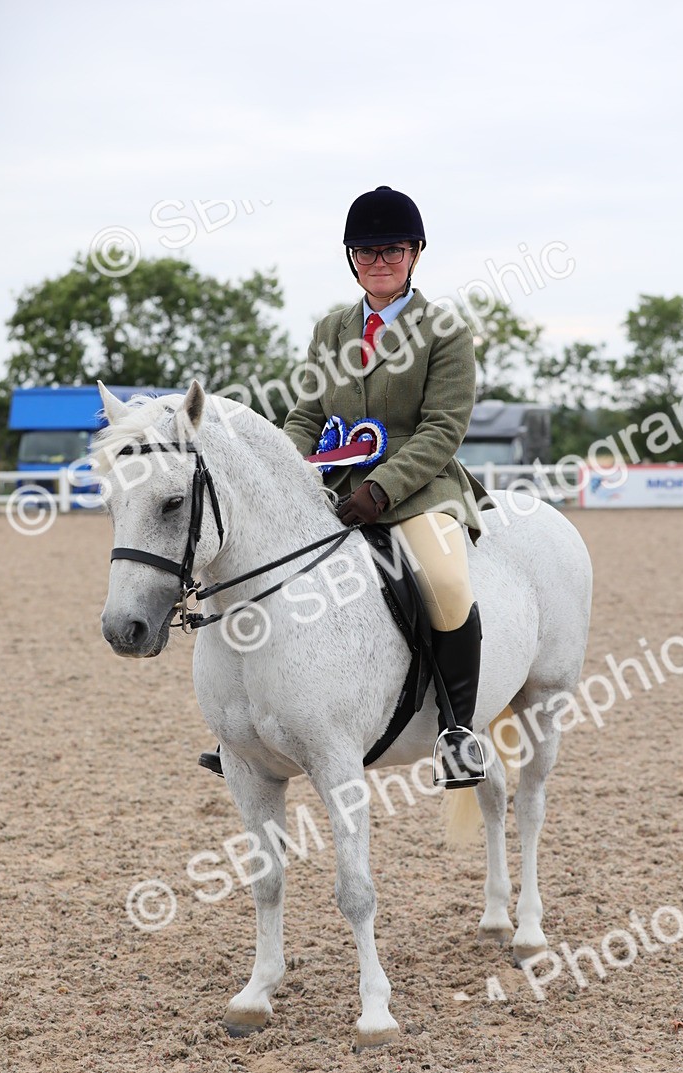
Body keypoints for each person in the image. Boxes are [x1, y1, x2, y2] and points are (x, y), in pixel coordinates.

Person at [200, 186, 489, 787]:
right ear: (352, 258)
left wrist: (381, 491)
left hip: (420, 489)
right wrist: (286, 469)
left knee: (445, 579)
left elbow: (442, 430)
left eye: (392, 250)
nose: (379, 261)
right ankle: (242, 733)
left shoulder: (444, 331)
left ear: (414, 254)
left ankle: (457, 732)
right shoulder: (332, 329)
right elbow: (307, 415)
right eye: (367, 251)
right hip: (333, 489)